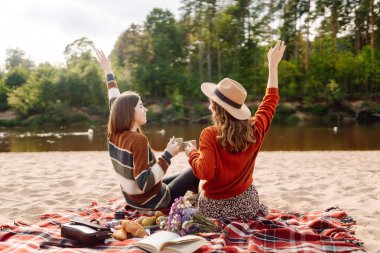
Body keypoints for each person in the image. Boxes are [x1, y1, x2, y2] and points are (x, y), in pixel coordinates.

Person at [184, 40, 286, 219]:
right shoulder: (255, 129)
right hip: (246, 206)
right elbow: (271, 100)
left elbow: (205, 172)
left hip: (213, 209)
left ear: (215, 108)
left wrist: (192, 153)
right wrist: (272, 65)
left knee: (199, 185)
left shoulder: (209, 134)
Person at [96, 50, 199, 210]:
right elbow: (144, 183)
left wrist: (109, 72)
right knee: (194, 170)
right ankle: (201, 203)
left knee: (181, 177)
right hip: (153, 200)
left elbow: (114, 100)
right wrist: (167, 155)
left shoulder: (114, 134)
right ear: (129, 112)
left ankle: (195, 197)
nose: (146, 110)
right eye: (141, 106)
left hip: (132, 199)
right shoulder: (138, 140)